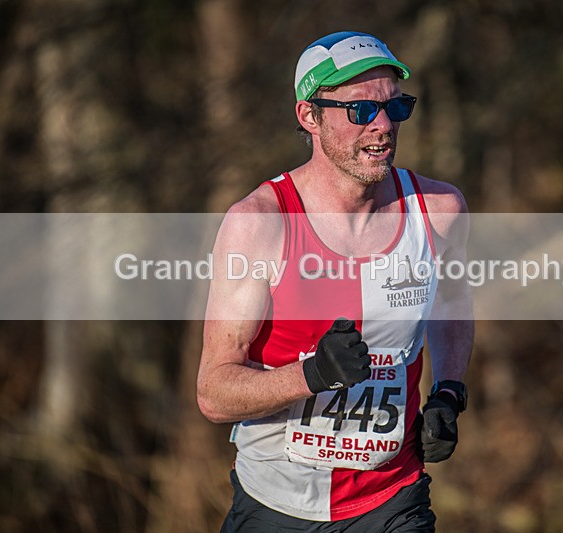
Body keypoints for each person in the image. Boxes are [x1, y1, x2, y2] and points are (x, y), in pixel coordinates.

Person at [197, 31, 474, 532]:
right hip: (275, 505)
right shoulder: (260, 223)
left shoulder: (437, 211)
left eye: (396, 107)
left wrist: (449, 391)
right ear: (309, 115)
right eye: (361, 111)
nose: (384, 127)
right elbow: (214, 393)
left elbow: (452, 303)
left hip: (392, 501)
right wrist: (310, 376)